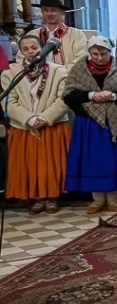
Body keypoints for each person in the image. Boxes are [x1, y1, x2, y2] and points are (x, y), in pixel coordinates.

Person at [63, 36, 117, 214]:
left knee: (115, 160)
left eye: (103, 53)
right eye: (95, 54)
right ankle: (97, 199)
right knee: (93, 160)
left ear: (110, 51)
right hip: (89, 121)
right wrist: (91, 95)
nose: (99, 57)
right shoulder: (80, 68)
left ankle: (114, 199)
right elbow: (69, 94)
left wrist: (114, 96)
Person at [2, 35, 71, 214]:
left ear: (42, 48)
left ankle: (52, 197)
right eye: (26, 49)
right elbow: (8, 102)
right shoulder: (10, 74)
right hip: (25, 126)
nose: (31, 52)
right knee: (31, 164)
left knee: (51, 164)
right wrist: (30, 119)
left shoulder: (59, 71)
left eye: (34, 47)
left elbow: (64, 99)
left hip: (51, 124)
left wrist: (44, 118)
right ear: (21, 52)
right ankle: (37, 197)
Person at [24, 0, 88, 67]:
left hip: (67, 77)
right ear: (42, 12)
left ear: (62, 12)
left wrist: (57, 73)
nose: (49, 14)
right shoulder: (32, 35)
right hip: (39, 77)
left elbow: (81, 60)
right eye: (45, 10)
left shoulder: (76, 35)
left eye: (53, 10)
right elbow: (21, 58)